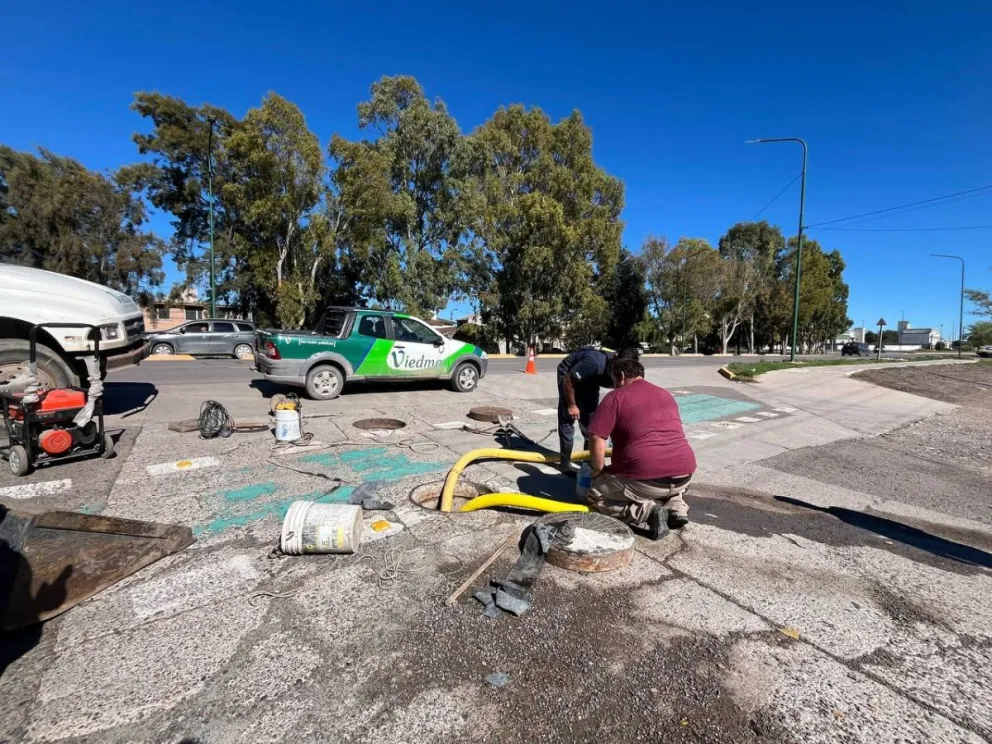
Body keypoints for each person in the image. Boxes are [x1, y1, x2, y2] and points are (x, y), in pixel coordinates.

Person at [584, 356, 697, 540]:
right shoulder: (664, 394)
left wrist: (599, 471)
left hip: (645, 479)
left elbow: (596, 438)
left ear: (620, 376)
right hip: (684, 475)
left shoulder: (615, 397)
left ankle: (647, 512)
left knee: (595, 494)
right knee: (667, 487)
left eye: (614, 381)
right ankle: (677, 508)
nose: (613, 385)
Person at [555, 346, 637, 472]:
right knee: (568, 419)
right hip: (569, 374)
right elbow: (568, 380)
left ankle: (587, 464)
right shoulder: (594, 363)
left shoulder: (627, 372)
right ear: (615, 361)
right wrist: (572, 405)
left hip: (591, 381)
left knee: (591, 424)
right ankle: (565, 464)